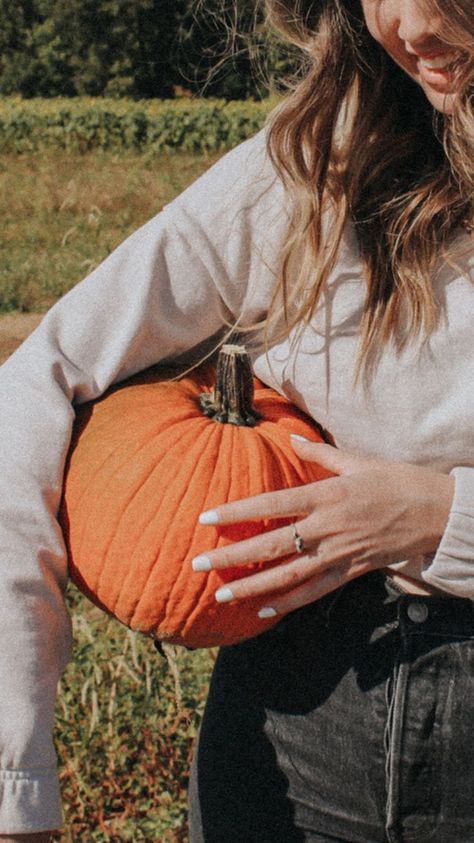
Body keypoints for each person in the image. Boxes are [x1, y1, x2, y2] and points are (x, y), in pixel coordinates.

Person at [0, 0, 473, 840]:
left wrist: (438, 516)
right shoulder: (312, 169)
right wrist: (16, 779)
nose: (410, 24)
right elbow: (42, 379)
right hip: (296, 715)